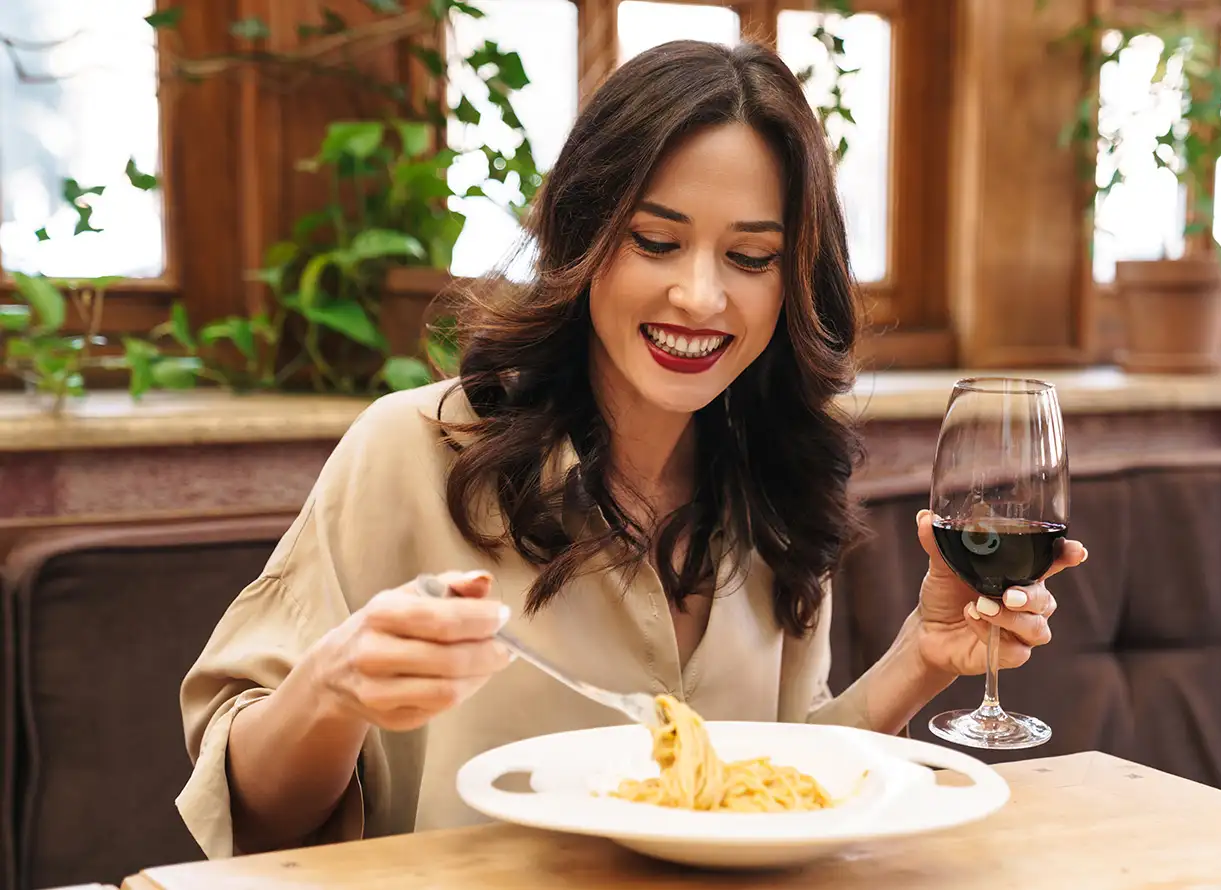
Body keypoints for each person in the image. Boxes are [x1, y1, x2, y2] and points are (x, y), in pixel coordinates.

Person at [177, 38, 1087, 859]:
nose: (699, 296)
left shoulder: (771, 488)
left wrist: (924, 658)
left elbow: (777, 787)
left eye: (751, 258)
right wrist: (334, 689)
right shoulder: (416, 451)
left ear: (791, 282)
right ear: (584, 237)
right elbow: (253, 814)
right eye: (656, 241)